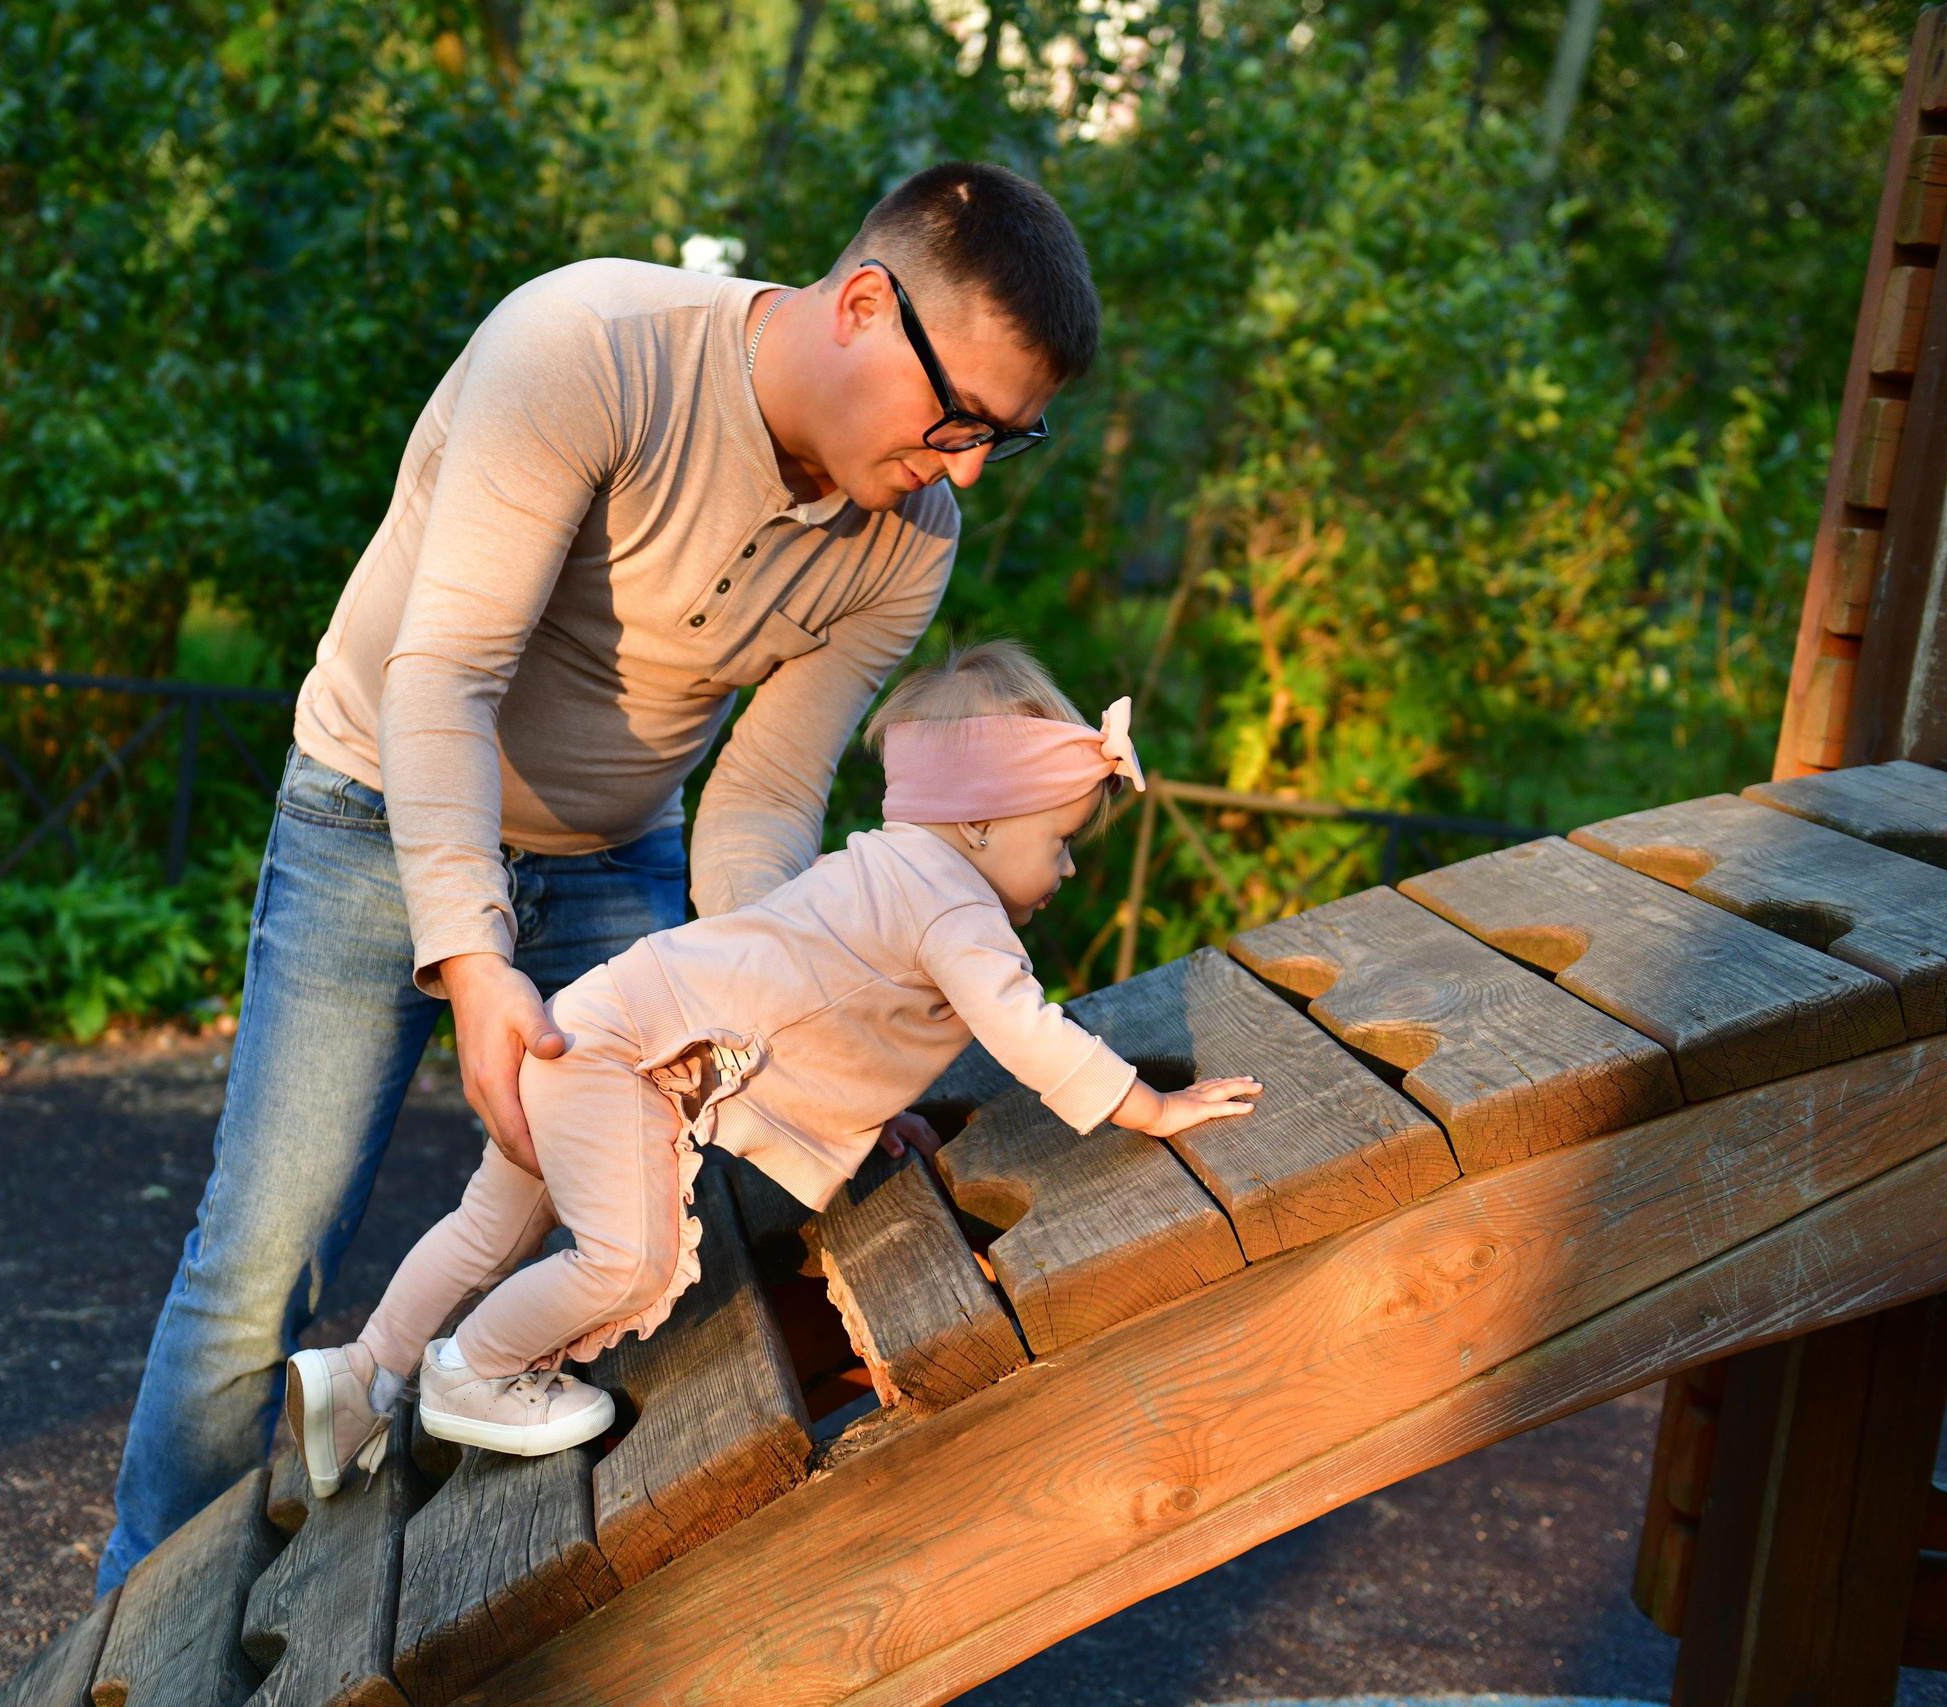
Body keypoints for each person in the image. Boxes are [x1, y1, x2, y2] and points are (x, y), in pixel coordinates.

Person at [98, 161, 1104, 1585]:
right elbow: (442, 675)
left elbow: (761, 801)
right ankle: (138, 1620)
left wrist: (811, 1031)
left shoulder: (910, 537)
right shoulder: (587, 348)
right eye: (959, 420)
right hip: (376, 804)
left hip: (615, 845)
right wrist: (472, 955)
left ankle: (483, 1589)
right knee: (272, 1246)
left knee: (661, 1208)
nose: (964, 469)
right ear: (866, 304)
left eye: (1009, 437)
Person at [284, 641, 1262, 1481]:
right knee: (628, 1260)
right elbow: (1026, 1030)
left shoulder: (879, 869)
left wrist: (872, 1115)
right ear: (979, 825)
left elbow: (821, 1013)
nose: (1068, 868)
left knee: (486, 1224)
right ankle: (479, 1371)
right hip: (629, 1063)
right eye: (1058, 839)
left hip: (597, 1025)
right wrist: (1146, 1106)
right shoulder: (959, 910)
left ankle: (360, 1377)